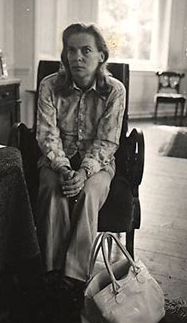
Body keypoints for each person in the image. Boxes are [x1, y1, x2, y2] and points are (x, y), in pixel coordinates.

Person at [35, 23, 126, 286]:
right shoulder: (49, 85)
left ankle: (74, 277)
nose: (77, 57)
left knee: (88, 193)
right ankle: (52, 271)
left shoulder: (114, 90)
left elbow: (108, 140)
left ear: (101, 56)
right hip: (56, 160)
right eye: (71, 51)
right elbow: (46, 134)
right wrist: (63, 168)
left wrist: (85, 172)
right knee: (53, 189)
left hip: (98, 163)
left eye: (86, 50)